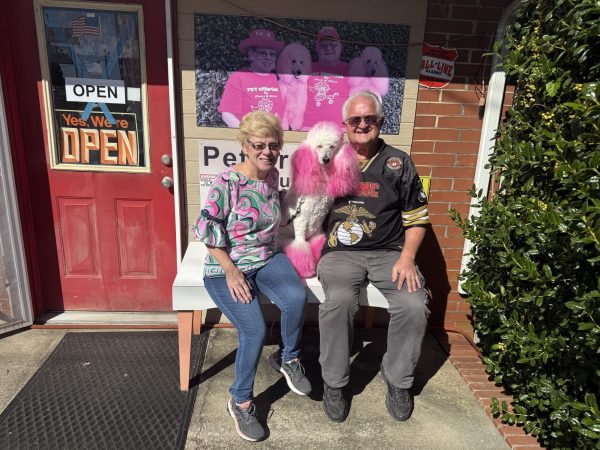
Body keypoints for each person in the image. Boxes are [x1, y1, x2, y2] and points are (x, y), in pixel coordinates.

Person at [193, 111, 312, 442]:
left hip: (265, 258)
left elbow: (270, 223)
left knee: (296, 298)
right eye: (258, 145)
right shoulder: (227, 183)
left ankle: (287, 358)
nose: (266, 152)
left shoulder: (271, 177)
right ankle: (241, 401)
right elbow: (207, 231)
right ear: (244, 145)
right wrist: (231, 271)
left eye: (273, 145)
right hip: (225, 267)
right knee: (254, 330)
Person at [317, 90, 430, 423]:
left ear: (381, 122)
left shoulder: (399, 162)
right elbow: (304, 198)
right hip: (340, 252)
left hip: (390, 252)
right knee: (337, 302)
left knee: (413, 303)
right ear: (345, 125)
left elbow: (417, 217)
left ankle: (398, 381)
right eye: (355, 119)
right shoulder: (330, 159)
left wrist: (408, 258)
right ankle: (334, 383)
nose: (362, 124)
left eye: (370, 119)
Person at [218, 29, 286, 128]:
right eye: (263, 53)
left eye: (272, 54)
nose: (268, 57)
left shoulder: (279, 79)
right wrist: (248, 134)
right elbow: (227, 114)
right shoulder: (239, 76)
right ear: (251, 54)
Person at [303, 26, 350, 129]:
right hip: (309, 128)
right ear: (317, 48)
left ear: (340, 47)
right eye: (324, 45)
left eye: (333, 45)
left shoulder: (350, 70)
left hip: (340, 128)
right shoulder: (306, 68)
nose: (328, 48)